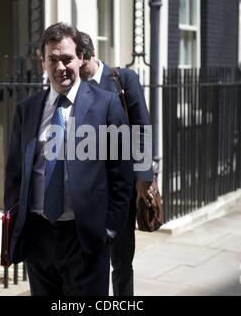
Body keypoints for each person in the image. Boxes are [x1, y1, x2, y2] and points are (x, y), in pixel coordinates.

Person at [3, 22, 133, 296]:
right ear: (43, 62)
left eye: (67, 58)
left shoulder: (106, 105)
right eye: (53, 59)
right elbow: (15, 174)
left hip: (84, 238)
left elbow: (121, 174)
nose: (61, 67)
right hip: (39, 238)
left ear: (81, 58)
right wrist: (15, 220)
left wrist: (108, 230)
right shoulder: (27, 111)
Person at [78, 31, 153, 296]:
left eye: (78, 62)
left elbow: (141, 127)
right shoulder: (75, 87)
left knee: (121, 260)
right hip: (87, 186)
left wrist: (144, 179)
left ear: (87, 56)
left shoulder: (123, 79)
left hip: (120, 186)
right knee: (89, 259)